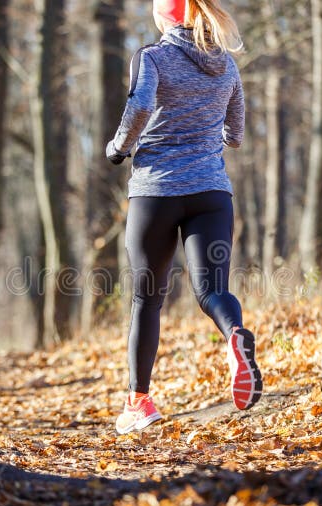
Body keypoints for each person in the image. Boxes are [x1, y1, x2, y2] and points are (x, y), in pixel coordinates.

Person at [106, 0, 261, 435]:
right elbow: (237, 134)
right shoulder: (225, 64)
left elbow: (138, 107)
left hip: (156, 193)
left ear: (164, 17)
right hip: (212, 193)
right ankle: (234, 336)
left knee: (147, 299)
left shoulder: (152, 57)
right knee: (212, 291)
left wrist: (118, 148)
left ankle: (139, 403)